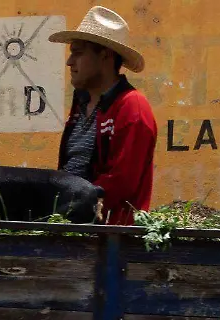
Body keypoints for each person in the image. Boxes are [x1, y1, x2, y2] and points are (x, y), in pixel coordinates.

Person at [50, 6, 157, 225]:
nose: (70, 62)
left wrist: (72, 209)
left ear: (105, 55)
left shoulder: (132, 107)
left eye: (78, 53)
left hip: (109, 237)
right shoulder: (81, 104)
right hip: (74, 227)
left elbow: (122, 182)